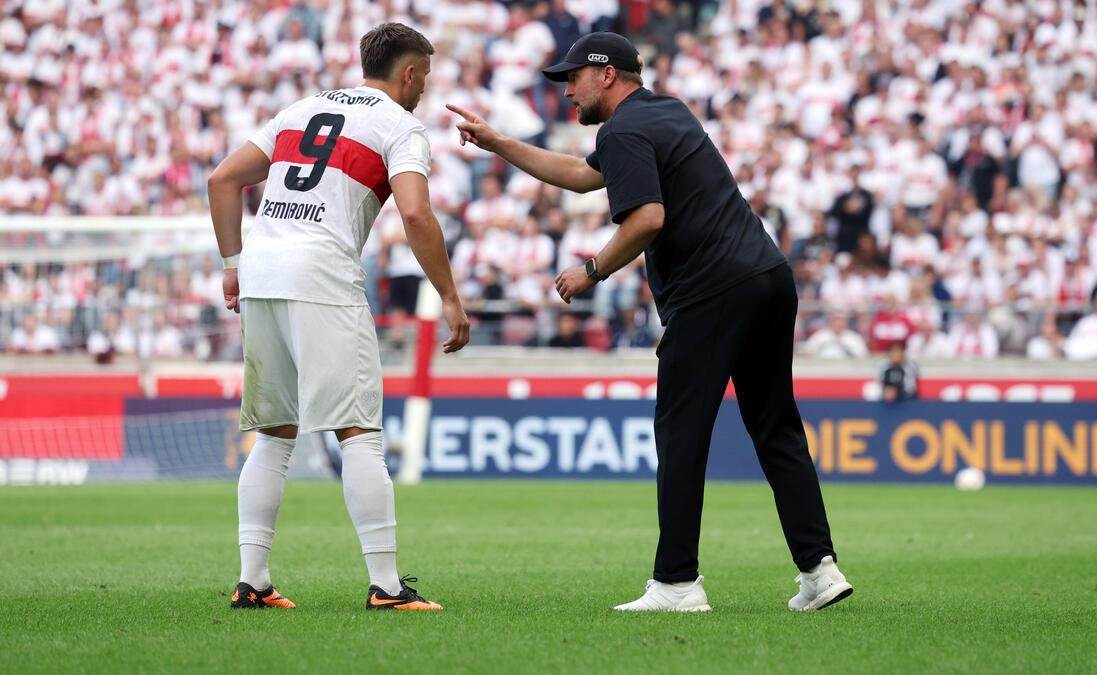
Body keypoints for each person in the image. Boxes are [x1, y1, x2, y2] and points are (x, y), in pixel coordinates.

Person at [450, 32, 851, 613]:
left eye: (573, 78)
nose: (566, 92)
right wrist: (500, 143)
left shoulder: (623, 129)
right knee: (776, 427)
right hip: (767, 277)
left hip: (713, 291)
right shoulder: (665, 112)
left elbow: (647, 219)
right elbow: (585, 176)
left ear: (606, 74)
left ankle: (677, 583)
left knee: (682, 434)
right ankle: (820, 569)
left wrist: (592, 269)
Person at [207, 22, 469, 612]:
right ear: (407, 74)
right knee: (360, 433)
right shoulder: (400, 126)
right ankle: (388, 587)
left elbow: (222, 179)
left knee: (273, 434)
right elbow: (417, 215)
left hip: (262, 272)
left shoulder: (300, 110)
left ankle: (253, 581)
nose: (422, 90)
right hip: (322, 274)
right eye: (422, 78)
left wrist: (231, 265)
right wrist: (449, 295)